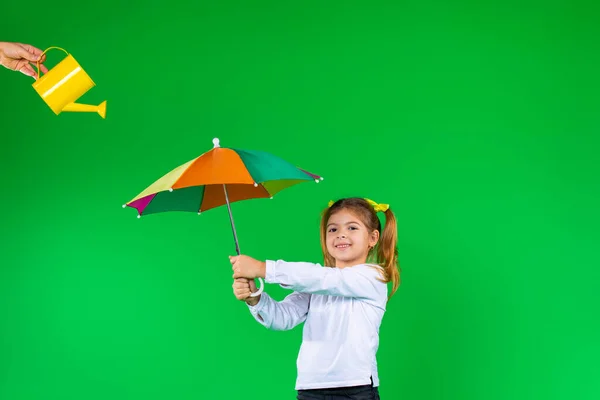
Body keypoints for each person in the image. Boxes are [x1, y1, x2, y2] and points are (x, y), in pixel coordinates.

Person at [230, 197, 401, 400]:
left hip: (355, 388)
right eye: (333, 229)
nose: (341, 235)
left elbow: (328, 279)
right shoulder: (316, 285)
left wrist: (263, 268)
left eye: (352, 228)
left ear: (373, 238)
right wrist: (255, 299)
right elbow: (282, 318)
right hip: (311, 388)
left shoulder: (372, 276)